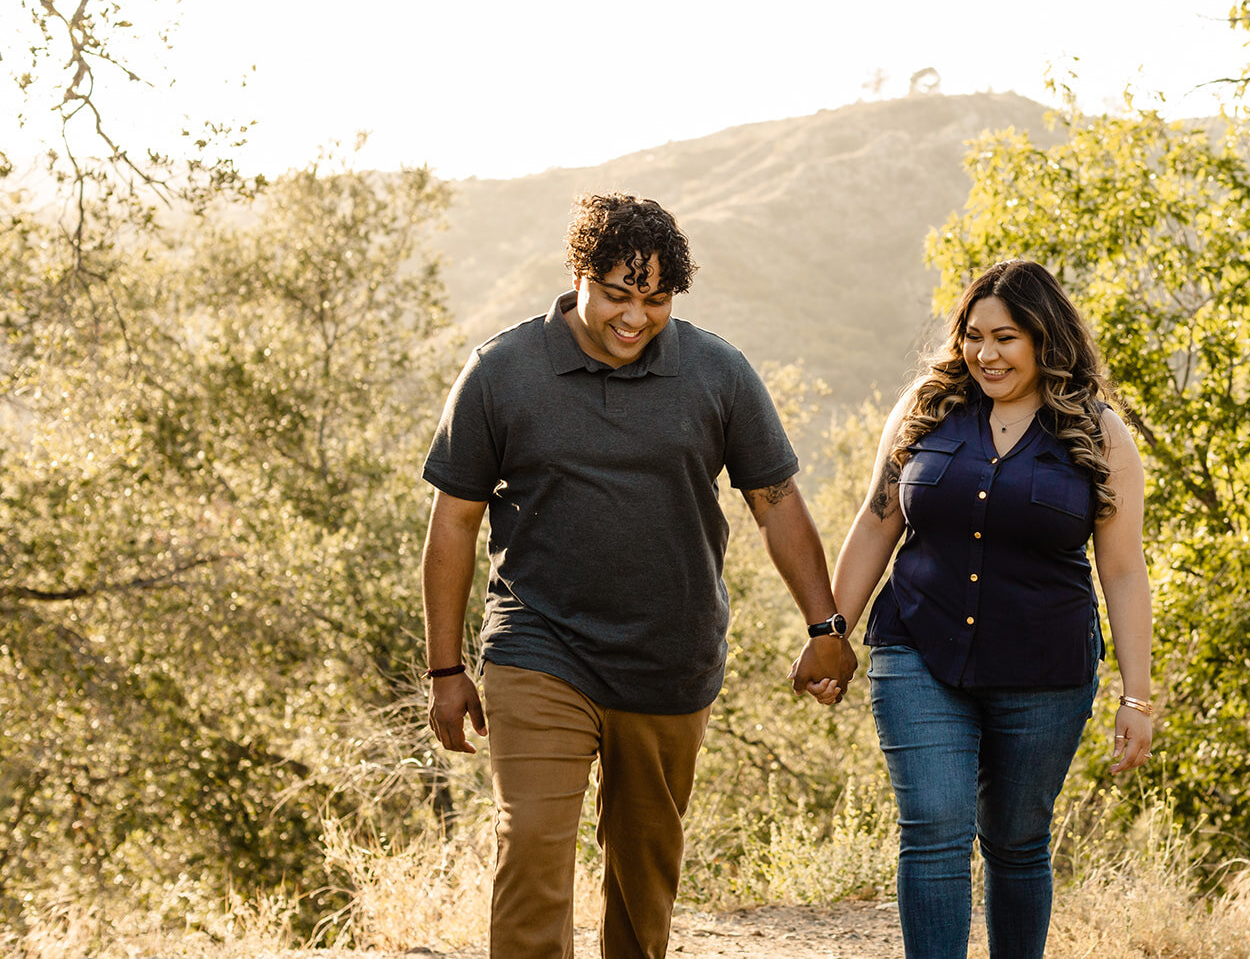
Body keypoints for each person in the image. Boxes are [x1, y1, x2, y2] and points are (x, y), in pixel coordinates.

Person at [421, 193, 856, 959]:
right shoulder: (502, 371)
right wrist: (446, 667)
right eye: (618, 294)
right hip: (538, 645)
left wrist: (825, 629)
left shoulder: (717, 371)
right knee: (531, 853)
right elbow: (453, 521)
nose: (634, 317)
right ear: (578, 274)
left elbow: (777, 505)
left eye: (655, 300)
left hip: (669, 657)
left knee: (642, 880)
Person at [800, 259, 1155, 959]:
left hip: (1044, 670)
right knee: (933, 826)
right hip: (918, 649)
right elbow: (876, 522)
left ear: (1046, 338)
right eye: (974, 335)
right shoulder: (925, 409)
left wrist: (1136, 696)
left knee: (1016, 840)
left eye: (1007, 338)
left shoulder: (1100, 434)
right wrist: (829, 636)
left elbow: (1121, 567)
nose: (986, 354)